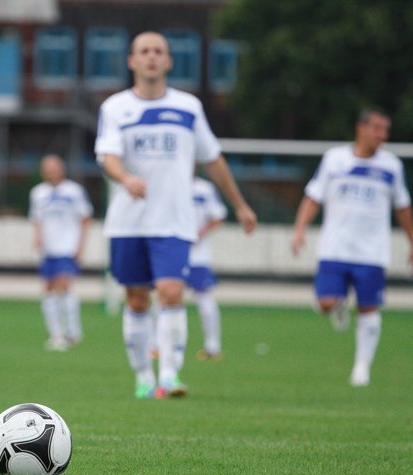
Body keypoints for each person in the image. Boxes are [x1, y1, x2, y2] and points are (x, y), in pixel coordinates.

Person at [95, 31, 257, 399]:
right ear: (132, 61)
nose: (151, 56)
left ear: (168, 61)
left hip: (174, 221)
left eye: (158, 51)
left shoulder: (189, 107)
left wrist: (240, 204)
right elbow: (107, 157)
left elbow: (212, 158)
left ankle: (170, 375)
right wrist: (126, 178)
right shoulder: (115, 107)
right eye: (144, 51)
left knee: (171, 292)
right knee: (137, 300)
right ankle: (143, 377)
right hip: (128, 222)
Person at [291, 107, 413, 387]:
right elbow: (313, 197)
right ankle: (338, 305)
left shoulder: (391, 166)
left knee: (368, 308)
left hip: (372, 252)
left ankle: (362, 368)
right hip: (334, 248)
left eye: (385, 130)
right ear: (361, 128)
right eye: (377, 128)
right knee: (324, 303)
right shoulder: (334, 159)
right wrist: (299, 230)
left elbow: (403, 207)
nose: (382, 135)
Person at [29, 154, 94, 351]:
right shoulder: (38, 193)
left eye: (54, 168)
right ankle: (56, 333)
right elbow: (37, 218)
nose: (51, 172)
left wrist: (81, 245)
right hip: (49, 248)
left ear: (62, 169)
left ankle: (73, 331)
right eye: (48, 169)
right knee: (49, 288)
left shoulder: (74, 191)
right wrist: (37, 237)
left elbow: (85, 218)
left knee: (64, 285)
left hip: (67, 246)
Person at [188, 176, 228, 361]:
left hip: (198, 255)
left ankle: (213, 346)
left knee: (205, 298)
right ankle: (157, 345)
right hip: (169, 252)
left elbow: (218, 216)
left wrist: (201, 232)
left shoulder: (204, 188)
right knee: (162, 297)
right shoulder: (165, 183)